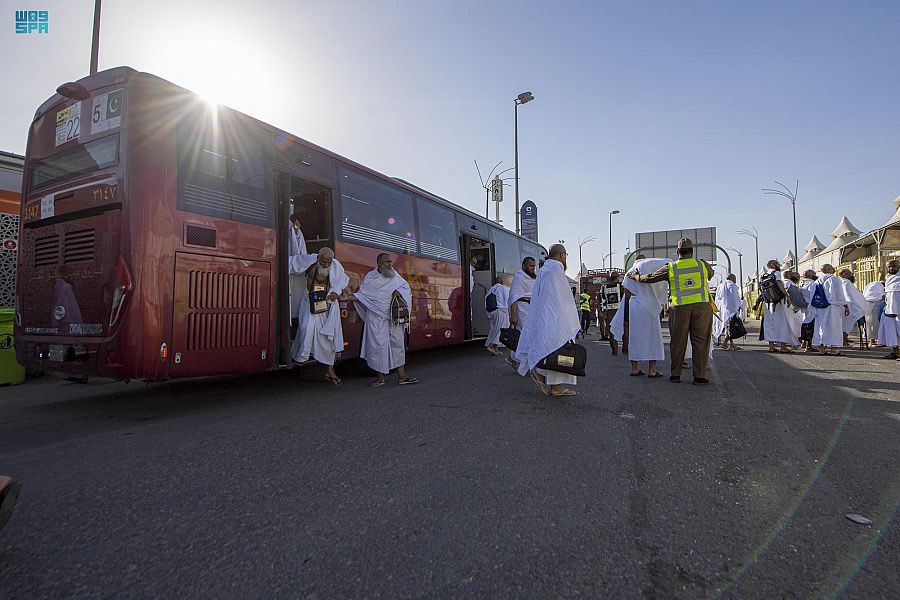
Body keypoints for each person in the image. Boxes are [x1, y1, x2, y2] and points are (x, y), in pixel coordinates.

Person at [631, 238, 714, 384]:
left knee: (678, 341)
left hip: (679, 308)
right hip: (702, 307)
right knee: (701, 341)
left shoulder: (671, 267)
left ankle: (676, 375)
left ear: (677, 252)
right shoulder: (702, 265)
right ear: (692, 251)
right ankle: (699, 377)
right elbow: (711, 274)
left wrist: (636, 276)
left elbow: (650, 278)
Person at [516, 244, 581, 396]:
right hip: (556, 318)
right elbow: (562, 299)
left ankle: (540, 373)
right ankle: (556, 386)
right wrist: (570, 318)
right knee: (559, 349)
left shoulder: (544, 270)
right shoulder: (556, 269)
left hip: (544, 317)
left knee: (548, 348)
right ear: (562, 255)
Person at [347, 253, 419, 386]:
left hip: (393, 317)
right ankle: (380, 378)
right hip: (376, 318)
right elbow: (363, 296)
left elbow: (405, 288)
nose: (390, 264)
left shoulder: (395, 275)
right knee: (378, 347)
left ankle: (402, 376)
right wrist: (348, 297)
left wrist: (399, 292)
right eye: (387, 262)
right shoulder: (370, 278)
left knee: (398, 345)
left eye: (390, 262)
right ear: (379, 264)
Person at [291, 248, 350, 385]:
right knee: (307, 326)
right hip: (310, 301)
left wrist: (336, 292)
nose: (326, 265)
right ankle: (302, 356)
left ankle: (330, 371)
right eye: (323, 262)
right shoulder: (309, 261)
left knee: (329, 338)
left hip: (327, 304)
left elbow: (343, 279)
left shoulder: (336, 266)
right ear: (318, 257)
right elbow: (290, 263)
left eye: (328, 262)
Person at [613, 257, 670, 377]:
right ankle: (652, 370)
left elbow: (627, 293)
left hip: (634, 305)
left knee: (634, 337)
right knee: (653, 337)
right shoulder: (649, 268)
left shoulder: (629, 273)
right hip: (649, 305)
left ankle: (635, 368)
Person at [754, 260, 795, 353]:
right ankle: (783, 346)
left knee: (770, 324)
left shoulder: (763, 275)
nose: (779, 265)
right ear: (773, 265)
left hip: (768, 302)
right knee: (782, 323)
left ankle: (771, 346)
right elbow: (779, 284)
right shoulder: (776, 273)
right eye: (777, 264)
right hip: (778, 301)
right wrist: (787, 295)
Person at [812, 264, 851, 356]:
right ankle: (834, 349)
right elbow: (839, 294)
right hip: (832, 307)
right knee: (834, 327)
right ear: (829, 269)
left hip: (820, 307)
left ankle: (821, 348)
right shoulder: (835, 279)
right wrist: (846, 306)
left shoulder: (817, 281)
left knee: (821, 327)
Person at [288, 213, 316, 339]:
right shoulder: (289, 228)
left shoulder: (297, 231)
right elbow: (296, 252)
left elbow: (300, 251)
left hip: (297, 278)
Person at [506, 257, 537, 369]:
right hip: (521, 308)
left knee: (529, 336)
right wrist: (513, 315)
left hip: (532, 309)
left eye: (534, 266)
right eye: (531, 266)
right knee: (526, 336)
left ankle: (512, 357)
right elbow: (513, 296)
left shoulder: (534, 278)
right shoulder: (519, 277)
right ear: (524, 265)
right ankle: (528, 366)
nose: (533, 268)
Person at [878, 260, 900, 360]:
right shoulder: (888, 277)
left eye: (894, 266)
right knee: (891, 332)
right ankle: (895, 352)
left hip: (898, 310)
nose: (892, 268)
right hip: (889, 309)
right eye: (890, 266)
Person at [713, 274, 742, 350]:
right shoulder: (732, 286)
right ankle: (725, 343)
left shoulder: (722, 285)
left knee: (728, 327)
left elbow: (719, 298)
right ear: (733, 278)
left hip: (724, 310)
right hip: (732, 310)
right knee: (731, 328)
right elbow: (735, 299)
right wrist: (737, 308)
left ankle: (732, 344)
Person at [839, 269, 867, 347]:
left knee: (845, 324)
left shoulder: (842, 282)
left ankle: (844, 340)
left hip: (846, 306)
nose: (851, 275)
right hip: (850, 306)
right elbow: (849, 295)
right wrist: (855, 305)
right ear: (844, 274)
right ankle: (843, 341)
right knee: (847, 324)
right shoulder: (846, 283)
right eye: (849, 273)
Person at [485, 277, 510, 356]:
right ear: (502, 281)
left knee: (494, 329)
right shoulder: (503, 288)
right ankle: (491, 345)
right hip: (501, 311)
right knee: (500, 329)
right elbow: (507, 300)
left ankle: (495, 349)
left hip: (492, 312)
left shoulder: (491, 289)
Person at [600, 272, 624, 354]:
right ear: (617, 278)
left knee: (611, 331)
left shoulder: (604, 287)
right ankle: (625, 348)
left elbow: (603, 300)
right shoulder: (620, 287)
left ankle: (614, 349)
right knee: (623, 329)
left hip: (609, 311)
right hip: (619, 311)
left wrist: (603, 312)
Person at [799, 269, 819, 351]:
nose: (815, 275)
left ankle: (803, 343)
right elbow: (814, 295)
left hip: (803, 307)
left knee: (804, 324)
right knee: (810, 327)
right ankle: (809, 346)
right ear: (811, 275)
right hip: (811, 307)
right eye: (814, 273)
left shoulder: (801, 283)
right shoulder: (812, 283)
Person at [863, 279, 886, 346]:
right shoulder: (879, 287)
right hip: (876, 307)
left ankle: (872, 340)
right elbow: (881, 296)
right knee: (876, 324)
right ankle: (878, 340)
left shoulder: (872, 285)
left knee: (869, 324)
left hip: (868, 306)